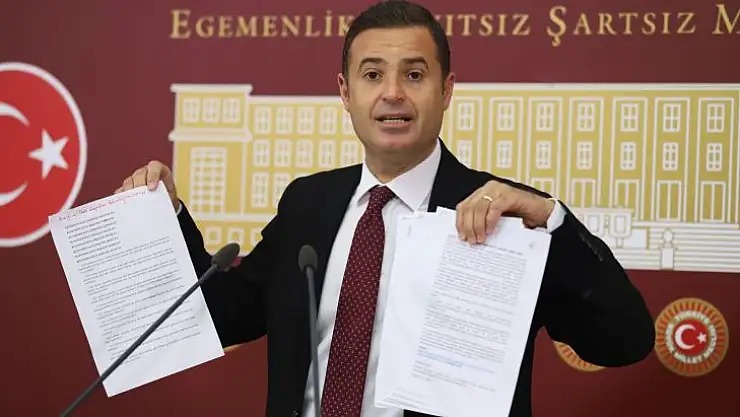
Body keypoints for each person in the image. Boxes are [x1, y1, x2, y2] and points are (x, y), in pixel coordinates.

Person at [115, 1, 655, 416]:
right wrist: (166, 221)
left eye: (414, 75)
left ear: (446, 91)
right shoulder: (308, 203)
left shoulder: (505, 214)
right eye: (372, 75)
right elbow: (223, 315)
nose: (392, 93)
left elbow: (623, 341)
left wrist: (554, 222)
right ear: (345, 92)